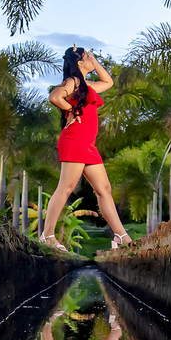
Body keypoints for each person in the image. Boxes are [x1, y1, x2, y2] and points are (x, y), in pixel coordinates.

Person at [39, 46, 133, 251]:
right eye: (89, 57)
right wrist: (71, 109)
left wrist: (95, 62)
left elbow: (108, 82)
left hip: (88, 145)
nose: (93, 59)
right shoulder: (73, 82)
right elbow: (55, 97)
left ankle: (120, 236)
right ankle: (47, 236)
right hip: (74, 140)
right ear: (80, 63)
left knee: (104, 189)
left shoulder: (86, 84)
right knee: (66, 187)